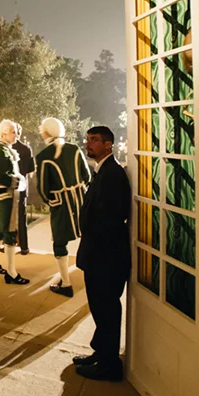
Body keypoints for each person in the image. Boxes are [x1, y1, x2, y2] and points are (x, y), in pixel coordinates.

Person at [74, 125, 132, 382]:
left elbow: (110, 217)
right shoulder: (103, 171)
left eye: (95, 140)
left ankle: (109, 364)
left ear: (108, 144)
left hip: (105, 256)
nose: (89, 144)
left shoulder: (112, 174)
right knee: (99, 307)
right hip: (98, 253)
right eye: (88, 139)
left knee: (107, 309)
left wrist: (95, 248)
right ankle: (100, 352)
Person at [36, 117, 91, 298]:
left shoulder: (43, 156)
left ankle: (66, 283)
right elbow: (87, 176)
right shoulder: (74, 149)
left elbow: (43, 188)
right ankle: (93, 277)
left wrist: (52, 200)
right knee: (87, 236)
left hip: (60, 204)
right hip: (80, 201)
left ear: (46, 133)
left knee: (60, 243)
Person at [0, 119, 29, 285]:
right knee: (9, 232)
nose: (16, 135)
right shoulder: (1, 151)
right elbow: (1, 177)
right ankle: (11, 272)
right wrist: (20, 181)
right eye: (13, 132)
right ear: (4, 134)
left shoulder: (3, 149)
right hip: (4, 197)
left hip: (3, 196)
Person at [12, 124, 35, 255]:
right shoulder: (26, 148)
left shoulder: (8, 148)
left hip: (10, 187)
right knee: (22, 217)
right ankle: (24, 246)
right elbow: (31, 169)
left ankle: (9, 242)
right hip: (22, 186)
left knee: (9, 217)